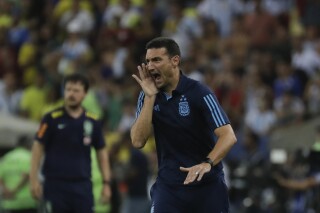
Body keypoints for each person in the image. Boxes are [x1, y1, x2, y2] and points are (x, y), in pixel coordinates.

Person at [130, 37, 237, 213]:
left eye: (157, 60)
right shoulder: (146, 95)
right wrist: (149, 98)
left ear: (175, 61)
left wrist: (207, 163)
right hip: (169, 188)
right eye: (148, 61)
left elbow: (228, 136)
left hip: (207, 187)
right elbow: (137, 141)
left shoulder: (199, 92)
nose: (150, 67)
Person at [29, 73, 112, 213]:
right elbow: (37, 148)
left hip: (82, 186)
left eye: (76, 90)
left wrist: (106, 183)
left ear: (85, 93)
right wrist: (33, 180)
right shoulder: (51, 119)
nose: (71, 94)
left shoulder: (93, 121)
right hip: (55, 185)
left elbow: (102, 153)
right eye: (68, 90)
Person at [0, 135, 37, 213]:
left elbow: (1, 178)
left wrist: (7, 191)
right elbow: (28, 175)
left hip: (10, 201)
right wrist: (15, 190)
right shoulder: (29, 156)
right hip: (27, 201)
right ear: (28, 145)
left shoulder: (6, 157)